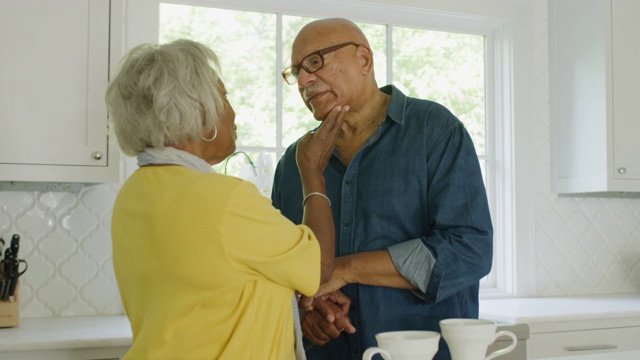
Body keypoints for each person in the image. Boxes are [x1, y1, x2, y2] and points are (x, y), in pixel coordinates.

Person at [106, 39, 347, 359]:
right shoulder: (224, 200)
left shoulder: (133, 193)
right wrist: (312, 173)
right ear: (202, 111)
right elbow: (318, 267)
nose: (232, 111)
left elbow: (217, 283)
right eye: (224, 96)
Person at [272, 18, 493, 360]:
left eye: (315, 62)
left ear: (364, 59)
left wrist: (344, 269)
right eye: (296, 71)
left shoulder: (435, 131)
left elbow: (470, 249)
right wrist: (308, 311)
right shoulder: (293, 163)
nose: (304, 80)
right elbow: (284, 268)